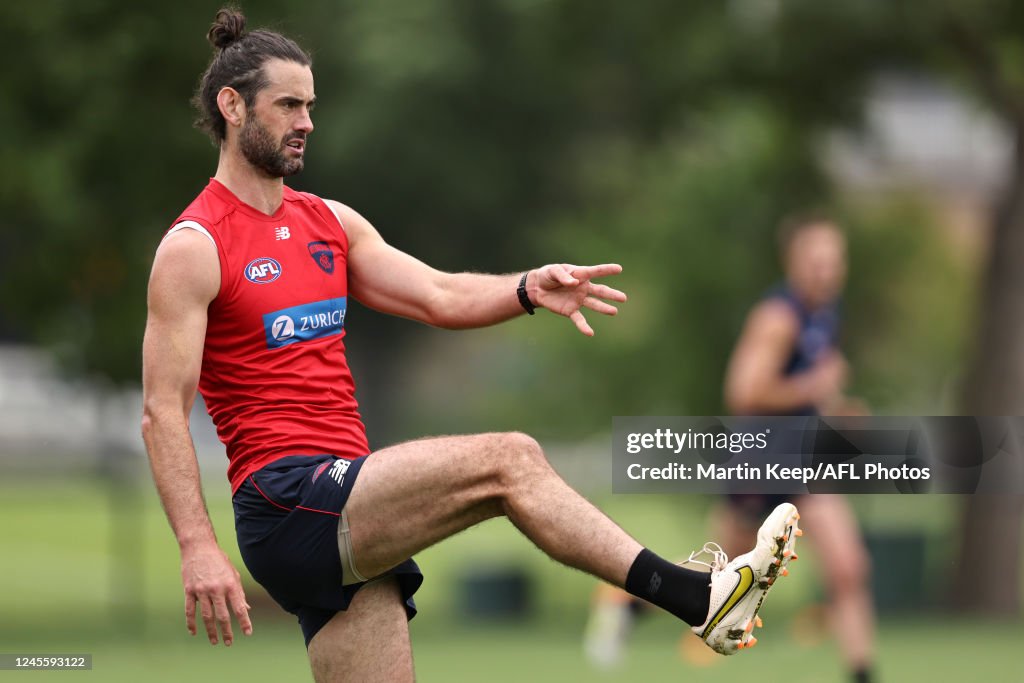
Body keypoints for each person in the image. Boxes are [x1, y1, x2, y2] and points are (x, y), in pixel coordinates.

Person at [140, 9, 800, 682]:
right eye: (287, 105)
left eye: (310, 105)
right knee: (508, 459)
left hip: (349, 505)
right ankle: (699, 597)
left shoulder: (328, 222)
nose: (306, 120)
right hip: (287, 501)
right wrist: (197, 544)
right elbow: (163, 408)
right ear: (231, 106)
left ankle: (703, 601)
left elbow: (439, 296)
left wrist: (527, 287)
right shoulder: (195, 247)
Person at [584, 214, 875, 683]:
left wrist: (837, 409)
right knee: (719, 574)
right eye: (816, 260)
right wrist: (814, 386)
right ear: (794, 263)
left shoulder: (826, 314)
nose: (827, 269)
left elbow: (809, 392)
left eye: (834, 260)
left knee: (848, 568)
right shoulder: (777, 317)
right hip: (759, 460)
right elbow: (744, 392)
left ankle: (863, 673)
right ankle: (625, 602)